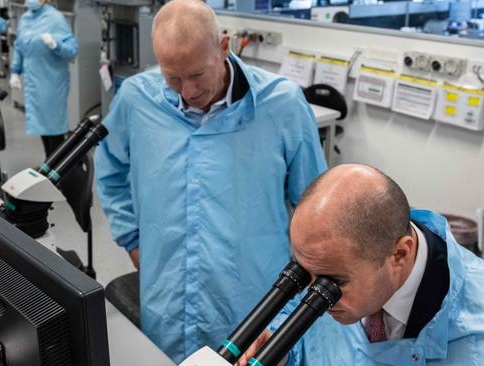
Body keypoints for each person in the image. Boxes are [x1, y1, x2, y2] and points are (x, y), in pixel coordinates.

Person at [94, 0, 327, 362]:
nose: (187, 91)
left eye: (197, 74)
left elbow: (315, 204)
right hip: (167, 296)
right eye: (172, 77)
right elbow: (109, 168)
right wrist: (132, 239)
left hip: (254, 298)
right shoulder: (136, 100)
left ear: (224, 46)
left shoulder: (281, 105)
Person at [238, 164, 484, 366]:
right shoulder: (326, 263)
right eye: (305, 274)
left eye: (334, 283)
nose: (314, 293)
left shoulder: (483, 330)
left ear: (399, 255)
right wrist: (282, 355)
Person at [9, 0, 78, 157]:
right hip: (33, 82)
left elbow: (72, 51)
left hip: (52, 82)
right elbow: (20, 47)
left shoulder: (56, 18)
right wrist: (15, 71)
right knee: (42, 128)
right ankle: (50, 166)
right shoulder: (25, 18)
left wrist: (56, 45)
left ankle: (60, 171)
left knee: (54, 128)